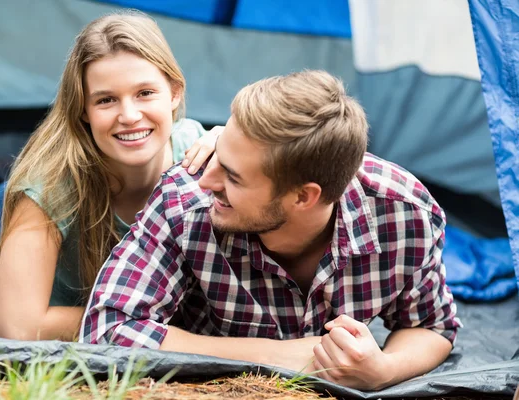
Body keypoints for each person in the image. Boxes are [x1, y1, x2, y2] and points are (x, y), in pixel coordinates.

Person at [80, 70, 462, 390]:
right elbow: (108, 331)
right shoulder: (184, 201)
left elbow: (432, 325)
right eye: (218, 152)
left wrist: (384, 370)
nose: (205, 180)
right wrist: (287, 356)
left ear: (303, 197)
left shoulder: (402, 213)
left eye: (232, 175)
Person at [0, 11, 218, 341]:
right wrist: (139, 324)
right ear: (83, 110)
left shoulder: (200, 152)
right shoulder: (48, 188)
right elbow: (20, 327)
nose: (130, 115)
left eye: (145, 93)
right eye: (106, 100)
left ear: (174, 92)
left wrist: (237, 143)